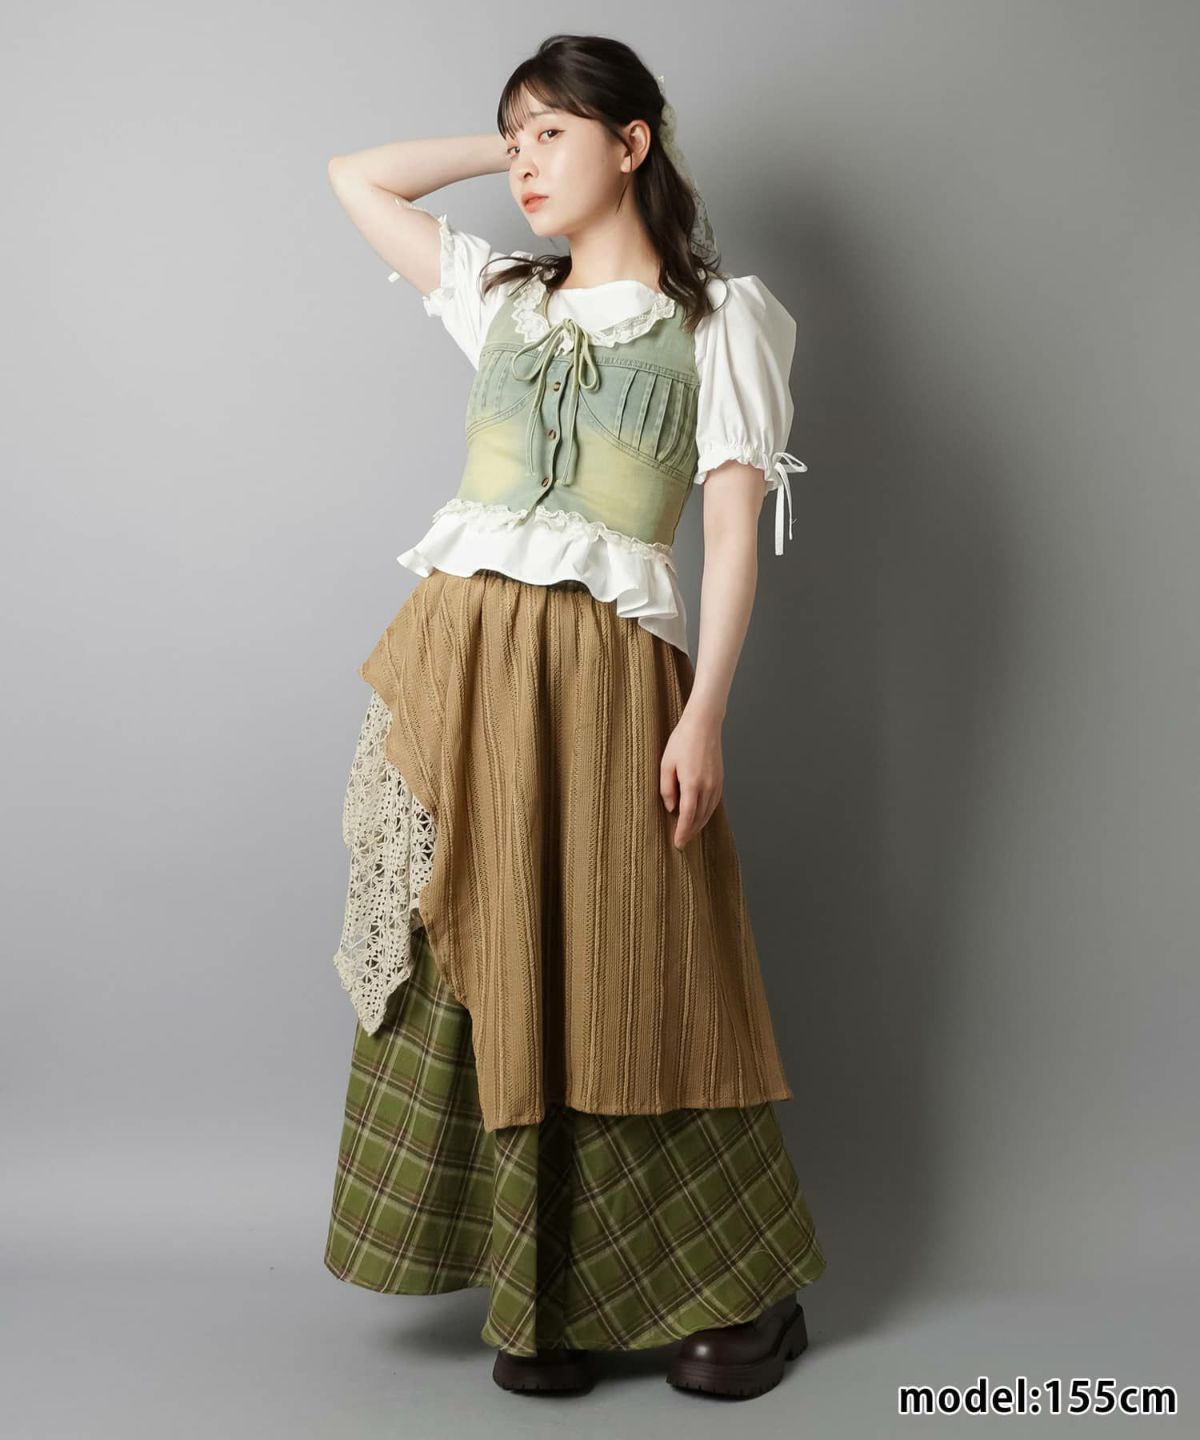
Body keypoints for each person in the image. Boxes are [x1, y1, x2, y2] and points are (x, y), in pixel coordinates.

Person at [322, 33, 827, 1401]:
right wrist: (504, 148)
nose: (527, 164)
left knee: (632, 964)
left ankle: (744, 1293)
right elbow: (357, 177)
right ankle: (539, 1296)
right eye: (516, 138)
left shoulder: (719, 321)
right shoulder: (500, 294)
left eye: (555, 133)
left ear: (634, 140)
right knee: (475, 954)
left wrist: (704, 714)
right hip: (457, 665)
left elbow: (733, 539)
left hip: (605, 676)